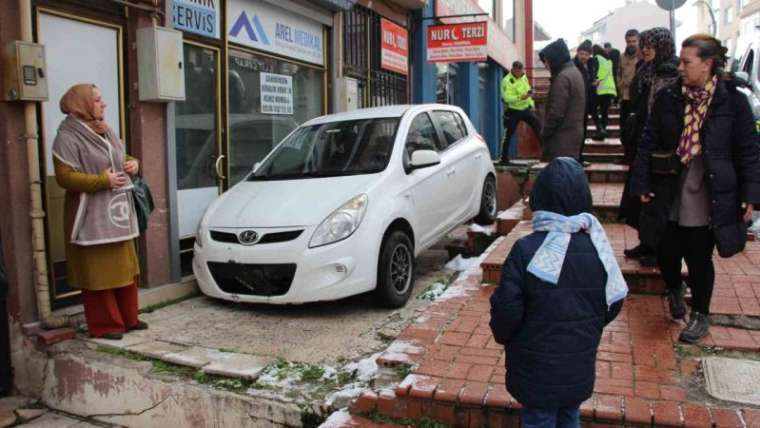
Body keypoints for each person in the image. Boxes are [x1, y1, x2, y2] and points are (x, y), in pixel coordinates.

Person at [631, 34, 760, 343]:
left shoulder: (733, 102)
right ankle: (675, 287)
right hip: (669, 186)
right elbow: (648, 140)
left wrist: (750, 195)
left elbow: (748, 151)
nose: (681, 68)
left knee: (699, 255)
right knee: (665, 250)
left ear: (707, 65)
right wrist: (642, 181)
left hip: (710, 190)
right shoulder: (669, 97)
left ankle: (701, 314)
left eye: (687, 62)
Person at [490, 157, 626, 428]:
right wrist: (587, 327)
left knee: (539, 420)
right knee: (569, 417)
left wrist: (506, 336)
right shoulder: (599, 249)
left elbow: (507, 309)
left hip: (534, 369)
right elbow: (615, 299)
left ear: (540, 199)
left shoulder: (526, 250)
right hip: (578, 366)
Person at [53, 84, 147, 340]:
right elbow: (65, 177)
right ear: (81, 104)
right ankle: (106, 325)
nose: (103, 104)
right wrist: (101, 181)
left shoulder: (104, 130)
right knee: (98, 272)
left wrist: (133, 163)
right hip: (90, 215)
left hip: (116, 212)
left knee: (126, 266)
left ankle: (129, 318)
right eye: (97, 100)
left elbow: (117, 155)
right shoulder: (67, 136)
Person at [621, 28, 679, 267]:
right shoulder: (646, 70)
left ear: (662, 47)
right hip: (643, 143)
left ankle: (656, 249)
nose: (645, 49)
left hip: (661, 148)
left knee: (655, 201)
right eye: (643, 44)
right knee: (639, 199)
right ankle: (645, 242)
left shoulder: (670, 73)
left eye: (650, 45)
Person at [539, 39, 587, 161]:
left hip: (561, 141)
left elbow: (556, 113)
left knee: (559, 178)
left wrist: (545, 132)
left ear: (555, 59)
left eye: (547, 61)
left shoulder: (563, 78)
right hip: (571, 138)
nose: (546, 66)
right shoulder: (574, 72)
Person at [500, 61, 542, 165]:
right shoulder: (506, 81)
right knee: (507, 135)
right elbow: (506, 98)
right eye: (517, 70)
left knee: (539, 128)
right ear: (513, 69)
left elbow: (528, 91)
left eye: (521, 70)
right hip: (513, 110)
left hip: (526, 109)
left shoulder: (524, 77)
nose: (519, 72)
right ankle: (504, 159)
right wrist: (520, 97)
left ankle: (547, 154)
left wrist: (531, 105)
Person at [574, 40, 597, 164]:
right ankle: (575, 159)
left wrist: (593, 84)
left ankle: (579, 158)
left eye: (586, 54)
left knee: (583, 132)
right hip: (576, 106)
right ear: (577, 53)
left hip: (586, 104)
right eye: (581, 53)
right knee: (576, 134)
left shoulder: (590, 65)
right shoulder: (573, 66)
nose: (583, 57)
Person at [618, 29, 641, 152]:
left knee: (635, 130)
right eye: (629, 41)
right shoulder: (622, 57)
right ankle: (626, 154)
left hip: (638, 99)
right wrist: (619, 86)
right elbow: (618, 74)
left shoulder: (643, 56)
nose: (631, 44)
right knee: (624, 128)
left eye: (634, 41)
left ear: (638, 41)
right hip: (625, 98)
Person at [592, 45, 618, 140]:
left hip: (601, 88)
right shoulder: (609, 60)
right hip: (610, 89)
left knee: (592, 108)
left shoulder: (597, 58)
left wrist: (597, 79)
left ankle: (600, 129)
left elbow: (600, 71)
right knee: (604, 112)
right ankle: (602, 132)